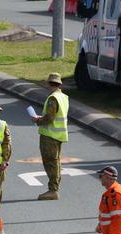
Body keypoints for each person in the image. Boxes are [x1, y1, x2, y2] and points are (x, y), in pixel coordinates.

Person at [31, 72, 69, 200]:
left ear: (49, 84)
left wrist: (38, 120)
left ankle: (53, 190)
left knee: (50, 162)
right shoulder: (63, 97)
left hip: (50, 135)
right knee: (55, 161)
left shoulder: (53, 98)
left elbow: (50, 118)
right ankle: (54, 188)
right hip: (59, 134)